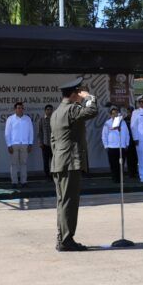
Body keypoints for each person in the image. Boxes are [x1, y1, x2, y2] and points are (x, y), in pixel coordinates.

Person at [50, 77, 98, 252]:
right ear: (73, 94)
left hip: (59, 162)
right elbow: (92, 111)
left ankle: (62, 237)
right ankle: (66, 240)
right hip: (70, 163)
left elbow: (53, 140)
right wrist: (89, 97)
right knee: (69, 203)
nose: (81, 94)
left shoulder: (56, 112)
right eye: (78, 92)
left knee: (63, 203)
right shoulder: (71, 110)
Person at [5, 101, 34, 187]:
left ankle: (23, 181)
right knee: (14, 164)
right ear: (15, 109)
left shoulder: (27, 119)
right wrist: (9, 145)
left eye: (21, 108)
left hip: (25, 144)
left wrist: (30, 143)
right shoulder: (10, 119)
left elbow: (31, 132)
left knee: (23, 163)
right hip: (14, 144)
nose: (20, 109)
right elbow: (7, 133)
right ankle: (14, 182)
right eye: (18, 108)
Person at [101, 107, 130, 183]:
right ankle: (115, 178)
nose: (115, 115)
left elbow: (127, 134)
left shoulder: (122, 122)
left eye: (116, 113)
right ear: (110, 115)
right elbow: (104, 135)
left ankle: (120, 178)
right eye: (113, 113)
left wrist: (127, 143)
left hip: (121, 146)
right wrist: (106, 146)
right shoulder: (107, 123)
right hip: (112, 147)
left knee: (121, 164)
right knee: (113, 164)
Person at [38, 104, 54, 179]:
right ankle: (47, 175)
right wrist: (40, 142)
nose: (49, 111)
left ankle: (54, 174)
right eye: (47, 110)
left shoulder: (55, 119)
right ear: (45, 111)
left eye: (50, 109)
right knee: (46, 161)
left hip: (54, 144)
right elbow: (39, 132)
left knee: (54, 161)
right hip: (45, 144)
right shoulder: (41, 119)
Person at [124, 106, 139, 179]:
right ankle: (130, 173)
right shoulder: (125, 120)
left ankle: (135, 171)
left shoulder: (136, 119)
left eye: (131, 111)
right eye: (129, 111)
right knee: (129, 158)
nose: (130, 113)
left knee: (135, 157)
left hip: (136, 141)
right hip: (128, 141)